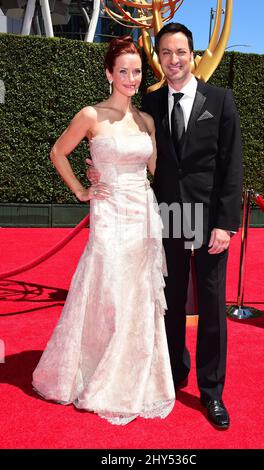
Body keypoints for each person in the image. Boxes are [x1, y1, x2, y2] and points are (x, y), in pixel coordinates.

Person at [32, 36, 175, 425]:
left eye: (137, 71)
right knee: (108, 288)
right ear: (109, 73)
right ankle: (95, 369)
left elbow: (157, 172)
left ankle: (133, 372)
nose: (131, 78)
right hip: (109, 214)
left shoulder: (146, 120)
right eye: (123, 71)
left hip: (143, 215)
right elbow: (58, 152)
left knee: (138, 294)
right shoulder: (91, 116)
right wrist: (82, 189)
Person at [141, 23, 243, 429]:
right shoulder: (149, 103)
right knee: (171, 303)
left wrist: (225, 224)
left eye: (180, 52)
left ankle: (212, 391)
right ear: (160, 58)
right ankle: (175, 372)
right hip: (167, 218)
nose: (173, 59)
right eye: (166, 52)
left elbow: (231, 165)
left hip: (207, 220)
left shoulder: (220, 100)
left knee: (213, 306)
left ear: (193, 55)